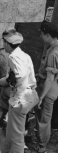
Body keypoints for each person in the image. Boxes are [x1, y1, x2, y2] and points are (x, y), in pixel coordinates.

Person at [0, 29, 39, 153]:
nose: (3, 44)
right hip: (30, 95)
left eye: (3, 41)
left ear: (7, 43)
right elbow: (9, 80)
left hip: (22, 98)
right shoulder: (24, 55)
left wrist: (16, 100)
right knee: (11, 133)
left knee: (16, 137)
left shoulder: (13, 56)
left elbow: (22, 77)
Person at [32, 21, 58, 153]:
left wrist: (41, 97)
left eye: (42, 34)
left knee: (44, 120)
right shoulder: (52, 47)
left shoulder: (54, 52)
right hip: (50, 87)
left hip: (48, 89)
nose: (40, 37)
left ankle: (42, 148)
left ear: (48, 34)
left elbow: (49, 78)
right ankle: (40, 142)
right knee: (42, 118)